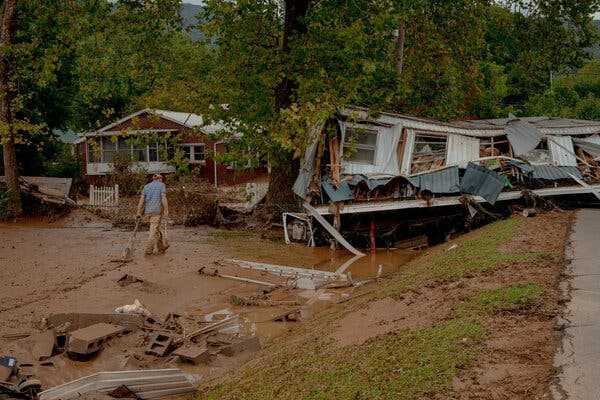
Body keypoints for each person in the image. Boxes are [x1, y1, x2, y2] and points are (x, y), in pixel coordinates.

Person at [136, 174, 169, 255]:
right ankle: (148, 250)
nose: (162, 180)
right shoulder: (162, 185)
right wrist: (166, 210)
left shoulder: (146, 186)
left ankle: (161, 248)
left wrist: (138, 212)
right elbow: (163, 198)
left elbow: (141, 200)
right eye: (161, 179)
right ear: (159, 179)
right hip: (156, 212)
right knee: (153, 231)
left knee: (157, 229)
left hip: (147, 212)